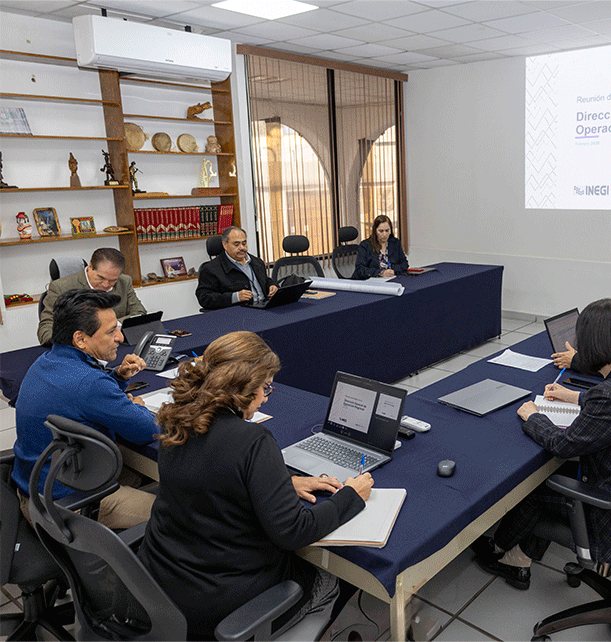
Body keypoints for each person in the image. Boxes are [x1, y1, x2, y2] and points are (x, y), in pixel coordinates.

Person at [137, 331, 373, 639]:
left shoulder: (177, 420)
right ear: (242, 389)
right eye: (264, 387)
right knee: (331, 582)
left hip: (159, 584)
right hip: (222, 604)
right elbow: (293, 532)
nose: (265, 396)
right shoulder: (253, 441)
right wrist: (352, 496)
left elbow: (212, 477)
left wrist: (281, 482)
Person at [473, 299, 611, 590]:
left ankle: (501, 551)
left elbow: (562, 444)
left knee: (535, 486)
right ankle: (521, 556)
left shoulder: (610, 397)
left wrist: (534, 417)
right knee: (560, 476)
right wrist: (575, 397)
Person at [13, 289, 157, 530]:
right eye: (111, 331)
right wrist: (137, 407)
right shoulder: (89, 383)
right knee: (178, 514)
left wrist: (117, 377)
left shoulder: (45, 361)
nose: (120, 338)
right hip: (66, 503)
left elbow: (82, 396)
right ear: (80, 339)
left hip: (37, 487)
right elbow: (146, 430)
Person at [37, 247, 146, 346]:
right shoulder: (61, 287)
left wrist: (114, 326)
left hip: (115, 345)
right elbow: (46, 328)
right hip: (80, 348)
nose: (105, 284)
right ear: (90, 267)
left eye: (112, 280)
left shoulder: (124, 281)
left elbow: (139, 313)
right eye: (101, 278)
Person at [196, 225, 278, 309]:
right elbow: (204, 298)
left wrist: (272, 285)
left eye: (244, 243)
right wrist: (235, 297)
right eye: (236, 244)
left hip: (266, 307)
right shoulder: (210, 269)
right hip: (238, 312)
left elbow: (265, 280)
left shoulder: (256, 262)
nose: (242, 248)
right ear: (225, 245)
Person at [353, 215, 408, 279]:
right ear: (375, 231)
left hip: (391, 279)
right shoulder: (365, 245)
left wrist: (392, 270)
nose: (384, 234)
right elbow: (360, 270)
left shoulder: (395, 243)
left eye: (387, 230)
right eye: (381, 231)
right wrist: (381, 273)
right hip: (370, 282)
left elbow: (404, 264)